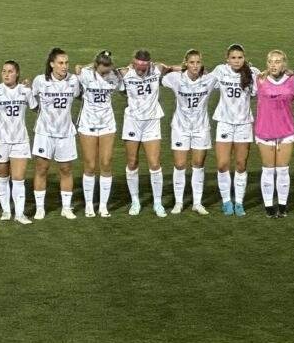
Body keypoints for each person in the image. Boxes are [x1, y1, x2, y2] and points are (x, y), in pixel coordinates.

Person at [162, 50, 219, 215]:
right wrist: (173, 67)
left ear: (202, 63)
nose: (195, 65)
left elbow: (229, 74)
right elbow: (159, 73)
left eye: (198, 62)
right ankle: (179, 202)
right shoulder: (175, 78)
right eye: (191, 62)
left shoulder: (209, 79)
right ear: (185, 63)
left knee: (198, 165)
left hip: (201, 128)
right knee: (179, 165)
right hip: (180, 128)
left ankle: (197, 203)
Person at [31, 48, 81, 220]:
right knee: (41, 169)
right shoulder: (40, 81)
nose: (64, 66)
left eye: (66, 63)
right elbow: (32, 101)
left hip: (66, 132)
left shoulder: (74, 81)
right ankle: (39, 208)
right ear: (51, 64)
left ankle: (66, 208)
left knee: (66, 169)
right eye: (60, 63)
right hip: (44, 133)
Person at [122, 50, 172, 217]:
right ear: (133, 62)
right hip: (132, 121)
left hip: (152, 121)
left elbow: (177, 68)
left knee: (154, 163)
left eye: (144, 66)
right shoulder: (125, 73)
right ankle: (135, 201)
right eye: (138, 65)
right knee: (132, 161)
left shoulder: (157, 69)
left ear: (149, 64)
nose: (141, 69)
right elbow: (100, 69)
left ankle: (158, 203)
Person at [211, 44, 258, 215]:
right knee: (222, 164)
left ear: (244, 58)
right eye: (233, 58)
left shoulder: (253, 73)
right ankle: (226, 201)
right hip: (224, 122)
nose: (237, 61)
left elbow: (264, 85)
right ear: (227, 59)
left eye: (240, 57)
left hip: (244, 124)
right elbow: (201, 76)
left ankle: (238, 202)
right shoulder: (220, 71)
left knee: (240, 164)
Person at [0, 60, 36, 223]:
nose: (6, 74)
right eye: (4, 71)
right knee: (2, 178)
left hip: (20, 141)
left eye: (10, 71)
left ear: (17, 74)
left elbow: (36, 108)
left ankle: (20, 213)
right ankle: (6, 211)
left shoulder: (25, 91)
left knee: (18, 178)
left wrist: (30, 89)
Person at [76, 51, 122, 218]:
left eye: (107, 69)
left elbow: (123, 81)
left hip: (107, 124)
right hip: (87, 124)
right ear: (96, 66)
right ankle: (89, 205)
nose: (105, 73)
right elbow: (77, 72)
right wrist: (84, 67)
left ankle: (103, 206)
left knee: (106, 162)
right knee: (89, 164)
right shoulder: (86, 75)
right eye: (102, 70)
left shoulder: (114, 76)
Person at [254, 50, 294, 218]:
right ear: (267, 63)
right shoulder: (260, 79)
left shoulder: (293, 80)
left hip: (285, 131)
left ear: (284, 63)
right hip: (265, 130)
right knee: (268, 170)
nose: (274, 64)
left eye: (278, 61)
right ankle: (268, 206)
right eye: (271, 61)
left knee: (283, 170)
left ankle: (283, 205)